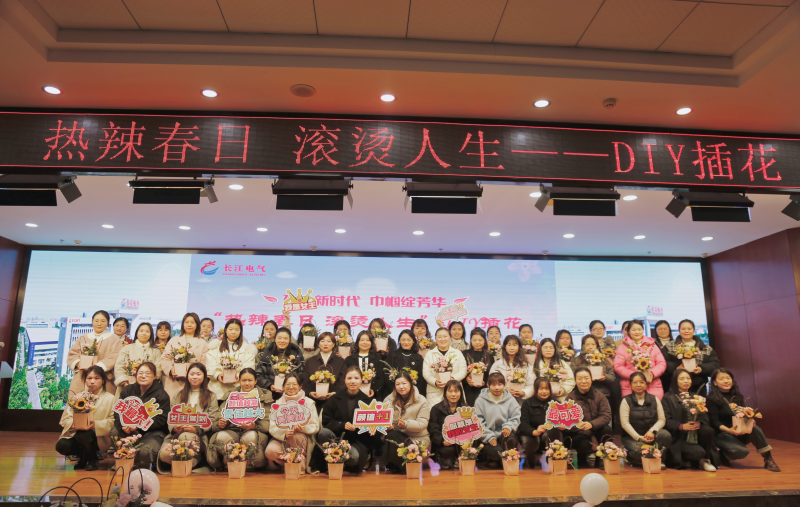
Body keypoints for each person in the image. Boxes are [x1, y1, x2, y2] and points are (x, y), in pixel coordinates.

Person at [707, 368, 780, 472]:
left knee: (755, 428)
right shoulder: (711, 399)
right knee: (741, 452)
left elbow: (743, 414)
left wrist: (750, 420)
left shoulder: (738, 397)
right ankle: (721, 456)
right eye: (721, 379)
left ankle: (768, 459)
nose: (726, 381)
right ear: (714, 382)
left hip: (739, 431)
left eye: (728, 378)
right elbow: (714, 422)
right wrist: (730, 430)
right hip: (723, 434)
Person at [158, 363, 220, 472]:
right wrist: (174, 428)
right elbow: (172, 415)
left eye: (198, 374)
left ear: (204, 376)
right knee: (164, 455)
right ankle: (191, 462)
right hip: (178, 434)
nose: (195, 377)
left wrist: (196, 429)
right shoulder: (178, 395)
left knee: (185, 437)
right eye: (192, 374)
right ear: (187, 376)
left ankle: (195, 458)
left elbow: (212, 419)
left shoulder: (211, 396)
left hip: (198, 436)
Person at [56, 365, 116, 471]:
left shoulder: (111, 398)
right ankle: (84, 457)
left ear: (103, 381)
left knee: (83, 434)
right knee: (61, 445)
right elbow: (66, 419)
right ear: (85, 380)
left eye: (97, 378)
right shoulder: (78, 397)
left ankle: (93, 460)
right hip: (77, 434)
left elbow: (113, 421)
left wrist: (94, 424)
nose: (92, 381)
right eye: (89, 378)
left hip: (99, 437)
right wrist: (75, 423)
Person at [208, 368, 271, 469]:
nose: (247, 383)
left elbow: (268, 425)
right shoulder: (230, 396)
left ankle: (248, 462)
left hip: (253, 432)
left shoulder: (264, 396)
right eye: (244, 380)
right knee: (221, 436)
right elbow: (215, 424)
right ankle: (232, 460)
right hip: (232, 431)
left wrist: (254, 426)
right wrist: (221, 424)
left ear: (255, 381)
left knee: (250, 437)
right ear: (239, 381)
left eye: (250, 380)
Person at [112, 362, 170, 469]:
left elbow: (162, 419)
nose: (143, 376)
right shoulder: (127, 390)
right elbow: (118, 411)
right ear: (136, 375)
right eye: (140, 373)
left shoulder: (162, 394)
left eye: (148, 373)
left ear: (155, 376)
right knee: (115, 431)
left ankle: (140, 461)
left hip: (153, 432)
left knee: (146, 452)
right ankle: (123, 460)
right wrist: (123, 425)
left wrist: (138, 425)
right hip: (130, 430)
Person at [319, 367, 375, 473]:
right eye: (349, 378)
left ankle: (345, 463)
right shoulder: (334, 399)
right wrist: (342, 425)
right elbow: (326, 421)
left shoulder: (368, 401)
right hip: (337, 438)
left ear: (361, 380)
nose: (353, 381)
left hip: (357, 442)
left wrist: (372, 429)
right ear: (344, 380)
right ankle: (332, 460)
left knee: (354, 458)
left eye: (356, 378)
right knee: (324, 432)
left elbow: (372, 425)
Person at [662, 369, 718, 472]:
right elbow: (666, 420)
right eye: (682, 379)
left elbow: (704, 417)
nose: (686, 381)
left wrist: (699, 423)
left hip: (695, 432)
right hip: (679, 436)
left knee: (708, 430)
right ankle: (690, 459)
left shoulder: (696, 397)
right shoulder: (668, 397)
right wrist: (682, 426)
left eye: (688, 378)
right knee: (698, 453)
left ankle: (705, 460)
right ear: (675, 380)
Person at [265, 372, 320, 473]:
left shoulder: (309, 402)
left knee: (296, 436)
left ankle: (299, 466)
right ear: (283, 386)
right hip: (282, 439)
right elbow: (272, 427)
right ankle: (290, 463)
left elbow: (315, 426)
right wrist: (284, 433)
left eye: (294, 384)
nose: (291, 387)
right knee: (270, 451)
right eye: (288, 384)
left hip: (301, 438)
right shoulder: (278, 404)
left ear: (300, 386)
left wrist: (303, 428)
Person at [563, 367, 613, 468]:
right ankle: (581, 459)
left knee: (607, 431)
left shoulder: (600, 396)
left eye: (586, 378)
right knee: (583, 442)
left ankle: (602, 458)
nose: (583, 381)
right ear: (575, 381)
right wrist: (585, 429)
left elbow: (606, 415)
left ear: (591, 379)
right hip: (580, 431)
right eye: (580, 378)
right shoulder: (570, 398)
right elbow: (567, 420)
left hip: (597, 427)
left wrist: (592, 424)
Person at [383, 372, 432, 473]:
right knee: (391, 434)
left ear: (411, 384)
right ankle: (398, 465)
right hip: (398, 435)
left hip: (417, 438)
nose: (401, 387)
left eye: (404, 383)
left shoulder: (422, 400)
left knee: (393, 436)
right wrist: (387, 426)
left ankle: (403, 466)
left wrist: (406, 424)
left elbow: (422, 424)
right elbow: (384, 419)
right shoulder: (388, 400)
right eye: (397, 384)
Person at [620, 371, 671, 469]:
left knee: (665, 435)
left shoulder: (654, 399)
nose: (638, 385)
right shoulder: (626, 401)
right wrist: (638, 437)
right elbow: (625, 423)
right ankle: (632, 456)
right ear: (630, 385)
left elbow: (662, 420)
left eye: (642, 382)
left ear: (646, 384)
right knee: (640, 451)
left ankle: (659, 460)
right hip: (632, 438)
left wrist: (652, 431)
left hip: (652, 435)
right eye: (635, 382)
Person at [67, 310, 122, 395]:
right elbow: (72, 354)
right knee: (78, 401)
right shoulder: (83, 338)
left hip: (105, 379)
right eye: (96, 321)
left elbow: (116, 356)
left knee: (103, 402)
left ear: (108, 323)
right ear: (92, 322)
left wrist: (98, 367)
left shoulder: (114, 339)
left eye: (103, 321)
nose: (99, 324)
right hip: (81, 378)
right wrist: (78, 363)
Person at [474, 372, 521, 468]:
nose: (497, 388)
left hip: (504, 434)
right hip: (487, 436)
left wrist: (509, 426)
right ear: (488, 385)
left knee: (511, 440)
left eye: (500, 384)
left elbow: (516, 417)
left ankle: (503, 461)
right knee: (497, 452)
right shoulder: (480, 400)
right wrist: (489, 437)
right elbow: (478, 421)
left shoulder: (510, 399)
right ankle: (499, 460)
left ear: (505, 385)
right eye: (493, 385)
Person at [613, 320, 667, 399]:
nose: (637, 332)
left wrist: (652, 373)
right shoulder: (623, 347)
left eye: (639, 329)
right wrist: (633, 375)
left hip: (652, 385)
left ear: (643, 330)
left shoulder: (652, 345)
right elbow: (618, 366)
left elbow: (661, 363)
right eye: (634, 330)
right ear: (628, 331)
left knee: (654, 406)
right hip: (631, 386)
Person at [664, 319, 719, 395]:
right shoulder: (669, 346)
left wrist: (701, 369)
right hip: (675, 387)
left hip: (699, 387)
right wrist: (677, 367)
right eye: (683, 329)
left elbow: (715, 365)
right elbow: (664, 363)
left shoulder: (705, 347)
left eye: (689, 329)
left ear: (693, 330)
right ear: (679, 330)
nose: (686, 331)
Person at [160, 312, 209, 397]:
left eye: (192, 322)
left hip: (194, 382)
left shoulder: (203, 343)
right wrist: (170, 370)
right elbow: (165, 359)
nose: (189, 325)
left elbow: (204, 362)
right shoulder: (173, 340)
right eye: (186, 322)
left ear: (197, 325)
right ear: (183, 324)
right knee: (174, 403)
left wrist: (196, 373)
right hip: (174, 381)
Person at [206, 318, 256, 400]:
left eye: (237, 330)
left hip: (239, 390)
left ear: (240, 331)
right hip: (217, 390)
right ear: (226, 330)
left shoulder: (247, 348)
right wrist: (217, 375)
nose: (233, 332)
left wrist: (239, 376)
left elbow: (250, 366)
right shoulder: (215, 347)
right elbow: (209, 365)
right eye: (230, 329)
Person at [519, 378, 563, 469]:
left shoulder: (556, 403)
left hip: (549, 436)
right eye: (541, 389)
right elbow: (523, 425)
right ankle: (530, 460)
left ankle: (553, 458)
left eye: (547, 389)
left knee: (556, 432)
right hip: (533, 435)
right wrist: (534, 431)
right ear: (535, 390)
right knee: (528, 440)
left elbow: (563, 422)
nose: (544, 392)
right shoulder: (527, 403)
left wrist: (563, 426)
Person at [428, 379, 468, 470]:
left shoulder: (466, 409)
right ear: (445, 393)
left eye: (456, 391)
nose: (453, 394)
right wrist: (442, 440)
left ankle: (458, 459)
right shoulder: (436, 409)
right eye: (450, 391)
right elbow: (433, 429)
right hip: (444, 444)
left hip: (461, 443)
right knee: (448, 450)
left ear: (461, 393)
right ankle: (445, 460)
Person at [422, 327, 468, 405]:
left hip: (454, 391)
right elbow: (426, 373)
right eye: (439, 337)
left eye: (445, 336)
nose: (442, 339)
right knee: (435, 412)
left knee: (456, 412)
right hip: (435, 392)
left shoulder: (457, 353)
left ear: (450, 338)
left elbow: (463, 370)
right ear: (435, 339)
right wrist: (435, 382)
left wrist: (453, 378)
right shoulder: (429, 354)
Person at [302, 332, 347, 410]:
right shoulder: (310, 361)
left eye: (329, 341)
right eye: (322, 341)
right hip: (313, 402)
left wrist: (334, 393)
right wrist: (310, 392)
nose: (325, 344)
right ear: (318, 344)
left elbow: (342, 380)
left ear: (333, 344)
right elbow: (305, 379)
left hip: (335, 401)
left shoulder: (341, 361)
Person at [255, 327, 304, 394]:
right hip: (269, 392)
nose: (282, 341)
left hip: (291, 392)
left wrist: (289, 386)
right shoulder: (268, 353)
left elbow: (301, 374)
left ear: (289, 340)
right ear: (275, 339)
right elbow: (258, 374)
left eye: (285, 338)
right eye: (279, 338)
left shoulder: (296, 353)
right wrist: (269, 385)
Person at [489, 335, 534, 405]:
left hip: (520, 402)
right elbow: (490, 383)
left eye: (515, 345)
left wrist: (523, 392)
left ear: (519, 347)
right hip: (500, 401)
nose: (512, 348)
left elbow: (531, 385)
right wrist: (504, 390)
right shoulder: (497, 365)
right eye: (509, 345)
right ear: (505, 347)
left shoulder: (526, 365)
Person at [114, 323, 163, 388]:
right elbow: (119, 366)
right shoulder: (127, 348)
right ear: (137, 333)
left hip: (149, 387)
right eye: (141, 331)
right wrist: (124, 383)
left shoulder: (156, 351)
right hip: (127, 387)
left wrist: (148, 382)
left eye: (147, 331)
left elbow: (158, 369)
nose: (144, 333)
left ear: (151, 334)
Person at [572, 335, 616, 399]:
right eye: (587, 344)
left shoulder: (604, 360)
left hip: (602, 394)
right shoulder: (576, 361)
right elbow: (572, 377)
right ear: (583, 346)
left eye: (593, 344)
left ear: (597, 346)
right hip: (582, 395)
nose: (590, 347)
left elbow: (613, 378)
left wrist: (605, 377)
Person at [344, 330, 385, 398]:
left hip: (372, 396)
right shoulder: (349, 359)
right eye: (362, 340)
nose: (365, 342)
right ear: (357, 342)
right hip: (352, 395)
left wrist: (373, 390)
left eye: (368, 340)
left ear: (371, 343)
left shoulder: (377, 358)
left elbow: (380, 378)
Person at [386, 329, 426, 398]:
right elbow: (386, 374)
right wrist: (396, 390)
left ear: (413, 341)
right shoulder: (392, 355)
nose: (406, 342)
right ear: (399, 340)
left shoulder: (418, 358)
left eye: (409, 340)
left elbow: (421, 378)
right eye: (403, 340)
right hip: (394, 394)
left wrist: (413, 391)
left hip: (413, 394)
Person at [462, 328, 493, 406]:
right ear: (471, 340)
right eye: (474, 340)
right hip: (467, 390)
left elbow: (491, 375)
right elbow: (460, 372)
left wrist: (485, 382)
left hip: (484, 391)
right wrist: (466, 380)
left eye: (480, 340)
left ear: (484, 340)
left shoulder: (489, 356)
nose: (477, 342)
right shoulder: (464, 354)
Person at [653, 320, 675, 395]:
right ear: (656, 330)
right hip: (660, 376)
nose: (663, 331)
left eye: (665, 329)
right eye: (660, 329)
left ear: (669, 330)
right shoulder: (652, 344)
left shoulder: (676, 343)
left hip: (673, 374)